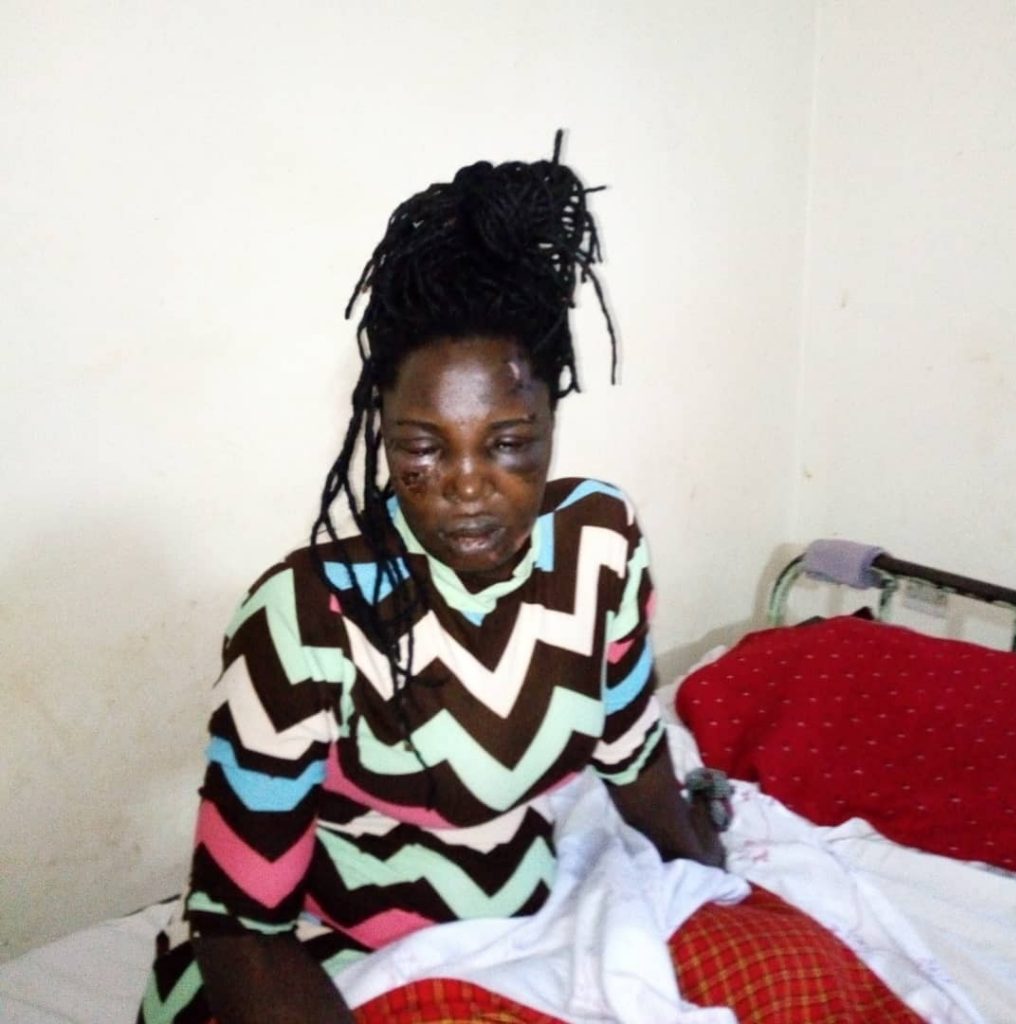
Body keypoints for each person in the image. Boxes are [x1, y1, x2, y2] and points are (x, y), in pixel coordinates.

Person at [137, 134, 726, 1024]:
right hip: (322, 964)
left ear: (553, 415)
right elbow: (239, 931)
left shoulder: (601, 544)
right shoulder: (308, 619)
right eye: (422, 448)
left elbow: (632, 747)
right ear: (381, 427)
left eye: (509, 443)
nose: (466, 485)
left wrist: (707, 864)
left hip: (518, 937)